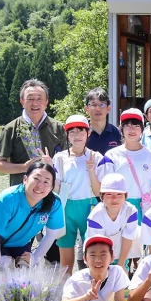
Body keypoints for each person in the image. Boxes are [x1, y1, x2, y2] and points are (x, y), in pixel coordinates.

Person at [0, 161, 65, 270]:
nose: (40, 186)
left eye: (46, 182)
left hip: (20, 241)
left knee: (24, 276)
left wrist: (35, 258)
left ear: (52, 186)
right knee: (0, 277)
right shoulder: (8, 199)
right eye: (36, 179)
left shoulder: (55, 202)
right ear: (25, 179)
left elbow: (51, 234)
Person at [51, 115, 102, 273]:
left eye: (81, 131)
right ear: (67, 135)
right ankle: (67, 290)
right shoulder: (60, 158)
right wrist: (48, 169)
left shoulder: (96, 157)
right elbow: (56, 190)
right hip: (66, 207)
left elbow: (99, 191)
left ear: (88, 133)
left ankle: (93, 288)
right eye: (72, 132)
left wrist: (92, 170)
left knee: (93, 250)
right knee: (66, 252)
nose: (77, 135)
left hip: (90, 206)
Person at [0, 79, 66, 186]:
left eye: (39, 99)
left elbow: (67, 160)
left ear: (46, 102)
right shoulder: (11, 128)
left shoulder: (58, 127)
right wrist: (24, 167)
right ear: (22, 102)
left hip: (51, 191)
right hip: (21, 191)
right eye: (30, 98)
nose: (35, 103)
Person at [97, 108, 151, 221]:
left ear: (142, 130)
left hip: (145, 208)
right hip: (118, 207)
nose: (132, 129)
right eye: (127, 125)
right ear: (121, 129)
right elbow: (105, 187)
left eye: (136, 126)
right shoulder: (111, 156)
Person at [86, 174, 140, 265]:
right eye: (109, 194)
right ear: (101, 197)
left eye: (119, 194)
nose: (114, 199)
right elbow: (97, 246)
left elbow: (128, 237)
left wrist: (121, 263)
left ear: (125, 196)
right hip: (99, 246)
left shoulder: (131, 211)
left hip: (121, 242)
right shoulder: (95, 216)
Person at [84, 88, 122, 155]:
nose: (98, 109)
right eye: (94, 105)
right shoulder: (81, 133)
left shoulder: (117, 133)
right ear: (86, 109)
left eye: (102, 105)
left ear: (108, 108)